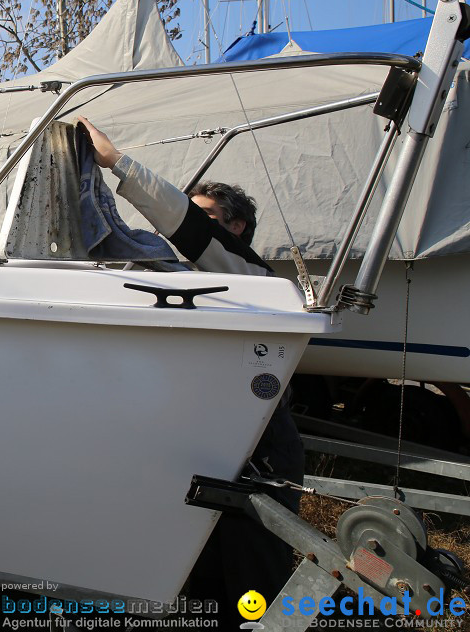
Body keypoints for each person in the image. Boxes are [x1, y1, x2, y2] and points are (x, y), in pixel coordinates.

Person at [77, 115, 305, 624]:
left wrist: (117, 163)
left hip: (258, 453)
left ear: (235, 227)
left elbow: (189, 227)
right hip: (202, 443)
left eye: (205, 215)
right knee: (194, 576)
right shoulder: (181, 278)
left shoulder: (250, 274)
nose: (175, 231)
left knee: (252, 581)